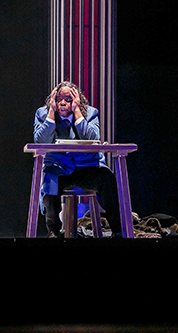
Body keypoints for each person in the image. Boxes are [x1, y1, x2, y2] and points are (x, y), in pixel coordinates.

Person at [33, 81, 122, 237]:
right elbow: (40, 141)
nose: (63, 102)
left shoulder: (90, 113)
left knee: (106, 177)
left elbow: (93, 138)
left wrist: (77, 112)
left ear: (76, 99)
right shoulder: (43, 113)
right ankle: (53, 231)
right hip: (59, 168)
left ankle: (118, 231)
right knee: (49, 179)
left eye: (68, 99)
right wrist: (51, 113)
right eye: (59, 99)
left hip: (86, 168)